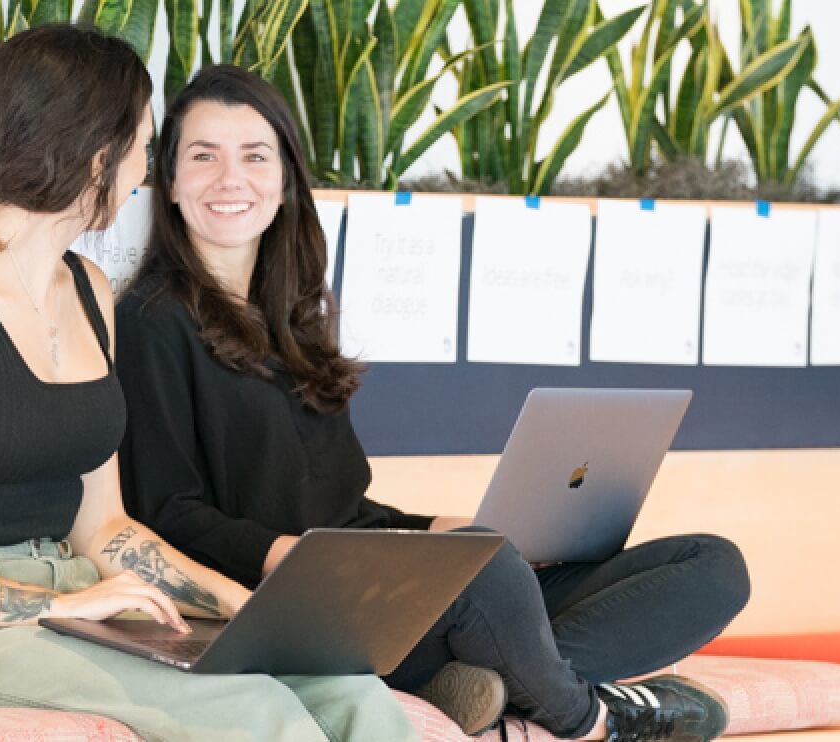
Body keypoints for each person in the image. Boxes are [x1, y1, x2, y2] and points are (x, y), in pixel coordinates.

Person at [116, 64, 752, 741]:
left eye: (254, 156)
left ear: (284, 180)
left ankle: (507, 682)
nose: (229, 178)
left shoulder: (292, 320)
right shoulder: (152, 322)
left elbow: (346, 513)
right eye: (203, 156)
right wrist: (294, 555)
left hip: (368, 583)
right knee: (487, 576)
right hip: (283, 607)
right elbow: (165, 513)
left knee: (711, 566)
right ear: (173, 181)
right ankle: (589, 720)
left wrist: (434, 530)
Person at [0, 27, 420, 742]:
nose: (146, 170)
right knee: (259, 718)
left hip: (71, 591)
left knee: (350, 691)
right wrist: (50, 605)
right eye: (143, 145)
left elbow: (102, 527)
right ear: (94, 154)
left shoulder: (89, 290)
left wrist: (243, 607)